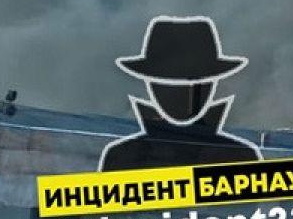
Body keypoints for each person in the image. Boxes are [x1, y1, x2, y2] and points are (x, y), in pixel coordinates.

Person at [97, 15, 266, 171]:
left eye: (196, 84)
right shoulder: (122, 157)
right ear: (151, 85)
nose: (185, 95)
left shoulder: (239, 156)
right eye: (170, 83)